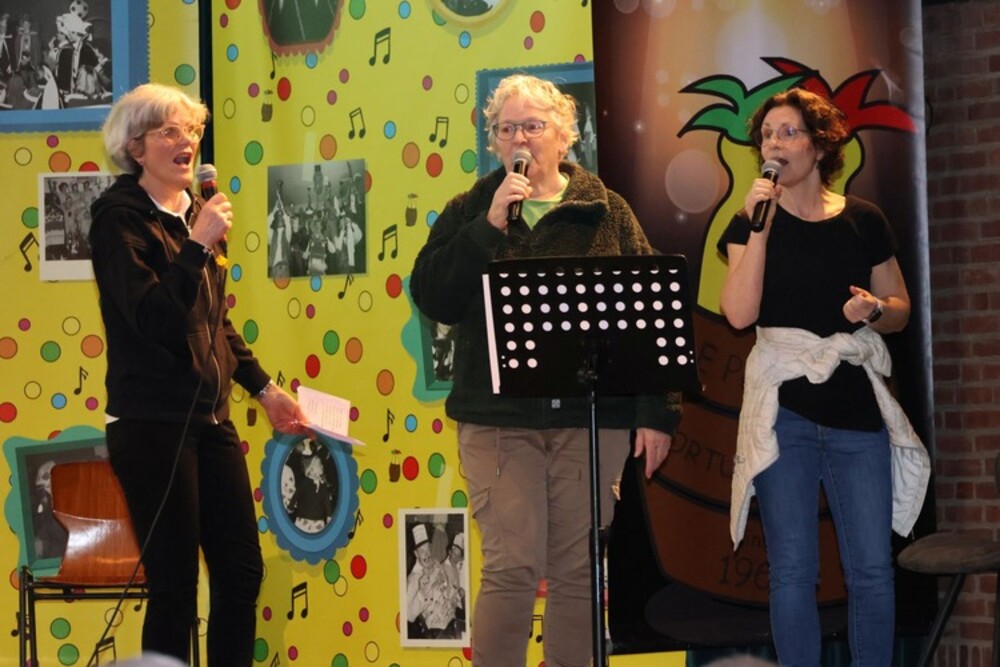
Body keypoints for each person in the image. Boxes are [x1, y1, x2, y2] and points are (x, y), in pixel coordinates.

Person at [409, 73, 682, 667]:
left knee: (578, 570)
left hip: (591, 417)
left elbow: (653, 315)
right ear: (493, 142)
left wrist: (657, 413)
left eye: (533, 125)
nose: (519, 139)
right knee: (512, 566)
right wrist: (486, 229)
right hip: (498, 419)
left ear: (565, 136)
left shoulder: (606, 210)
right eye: (505, 128)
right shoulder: (469, 210)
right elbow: (433, 296)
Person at [89, 82, 310, 666]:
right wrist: (195, 246)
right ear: (136, 148)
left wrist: (264, 390)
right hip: (150, 425)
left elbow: (212, 322)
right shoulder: (119, 221)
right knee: (175, 586)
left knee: (241, 571)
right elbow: (152, 319)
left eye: (192, 130)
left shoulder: (193, 214)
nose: (186, 141)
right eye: (169, 131)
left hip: (210, 421)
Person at [718, 88, 930, 666]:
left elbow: (900, 310)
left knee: (871, 570)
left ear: (819, 145)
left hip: (856, 413)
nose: (774, 143)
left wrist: (875, 309)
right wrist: (758, 226)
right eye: (767, 135)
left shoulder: (864, 219)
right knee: (792, 570)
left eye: (788, 132)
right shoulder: (750, 221)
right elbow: (738, 314)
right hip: (784, 412)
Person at [405, 523, 461, 639]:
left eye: (428, 548)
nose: (427, 554)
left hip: (451, 616)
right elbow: (409, 616)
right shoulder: (413, 579)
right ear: (416, 554)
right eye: (422, 551)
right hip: (437, 629)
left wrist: (451, 591)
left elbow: (446, 585)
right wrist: (422, 592)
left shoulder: (435, 563)